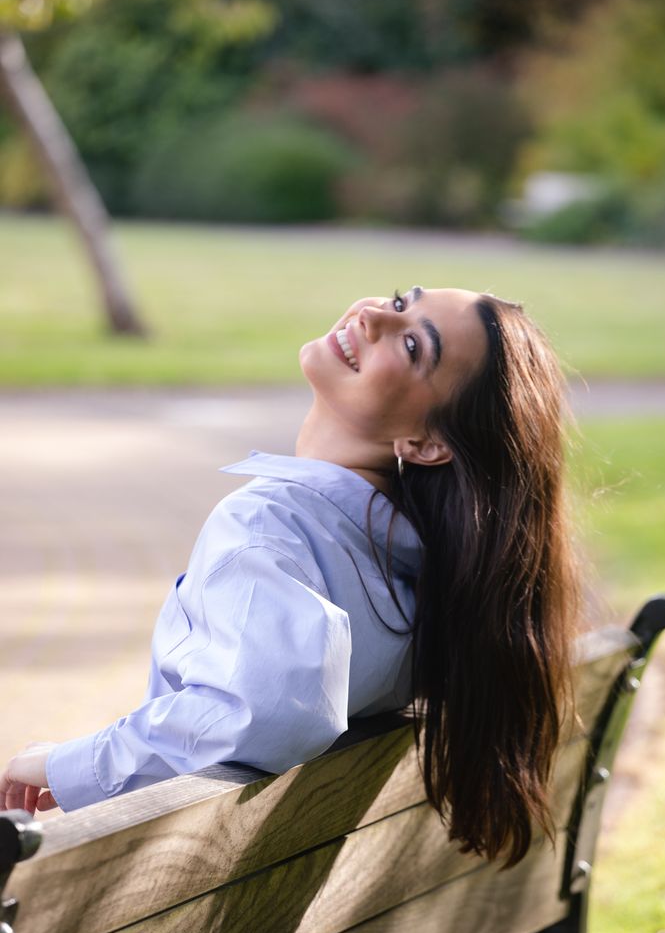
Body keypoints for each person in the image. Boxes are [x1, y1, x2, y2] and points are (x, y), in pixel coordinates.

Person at [0, 286, 578, 866]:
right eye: (402, 301)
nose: (373, 314)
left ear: (425, 444)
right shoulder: (422, 570)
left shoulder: (266, 525)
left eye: (409, 344)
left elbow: (267, 712)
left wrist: (69, 764)